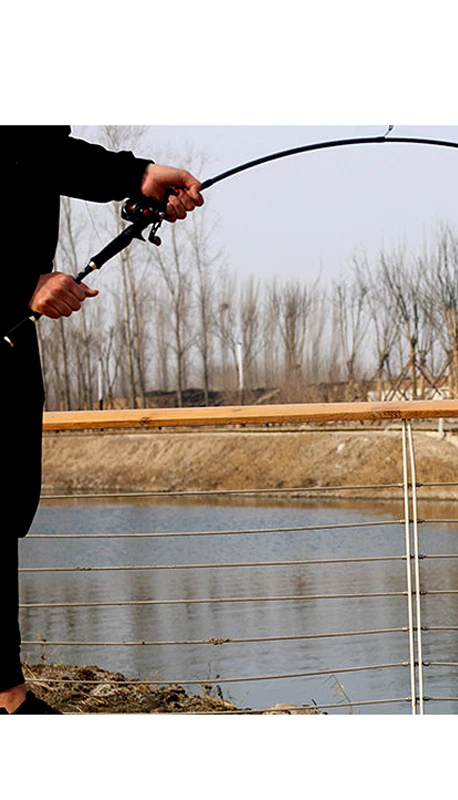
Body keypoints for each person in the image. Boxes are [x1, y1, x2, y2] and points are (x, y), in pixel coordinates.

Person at [0, 126, 204, 714]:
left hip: (11, 340)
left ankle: (5, 688)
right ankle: (8, 697)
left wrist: (134, 175)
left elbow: (34, 148)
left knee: (5, 501)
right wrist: (16, 284)